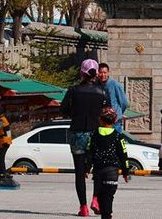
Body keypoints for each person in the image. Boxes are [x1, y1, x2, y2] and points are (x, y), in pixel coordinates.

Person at [61, 58, 108, 217]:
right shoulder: (102, 92)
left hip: (77, 132)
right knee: (99, 170)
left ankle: (83, 207)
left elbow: (63, 110)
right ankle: (96, 199)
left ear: (82, 72)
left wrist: (75, 112)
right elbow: (107, 113)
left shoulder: (73, 90)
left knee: (80, 173)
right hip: (95, 133)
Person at [85, 107, 130, 219]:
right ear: (115, 121)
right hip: (112, 172)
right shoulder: (119, 137)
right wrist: (125, 172)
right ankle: (107, 215)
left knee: (100, 196)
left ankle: (105, 214)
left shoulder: (94, 135)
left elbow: (89, 153)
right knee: (109, 196)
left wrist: (86, 168)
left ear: (100, 120)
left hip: (98, 171)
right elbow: (124, 156)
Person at [97, 63, 129, 134]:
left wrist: (118, 113)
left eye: (105, 72)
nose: (103, 75)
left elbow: (124, 103)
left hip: (115, 122)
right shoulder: (96, 85)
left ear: (108, 73)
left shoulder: (114, 84)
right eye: (100, 72)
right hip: (102, 122)